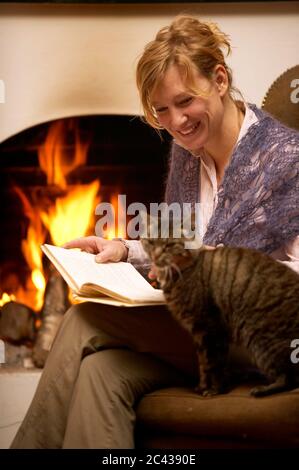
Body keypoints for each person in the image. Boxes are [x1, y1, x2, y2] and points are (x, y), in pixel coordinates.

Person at [11, 14, 299, 449]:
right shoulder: (188, 153)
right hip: (201, 330)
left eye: (185, 101)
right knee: (100, 374)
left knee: (85, 319)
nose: (176, 121)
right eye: (161, 110)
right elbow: (177, 243)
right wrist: (122, 250)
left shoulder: (285, 159)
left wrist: (223, 278)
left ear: (219, 80)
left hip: (266, 340)